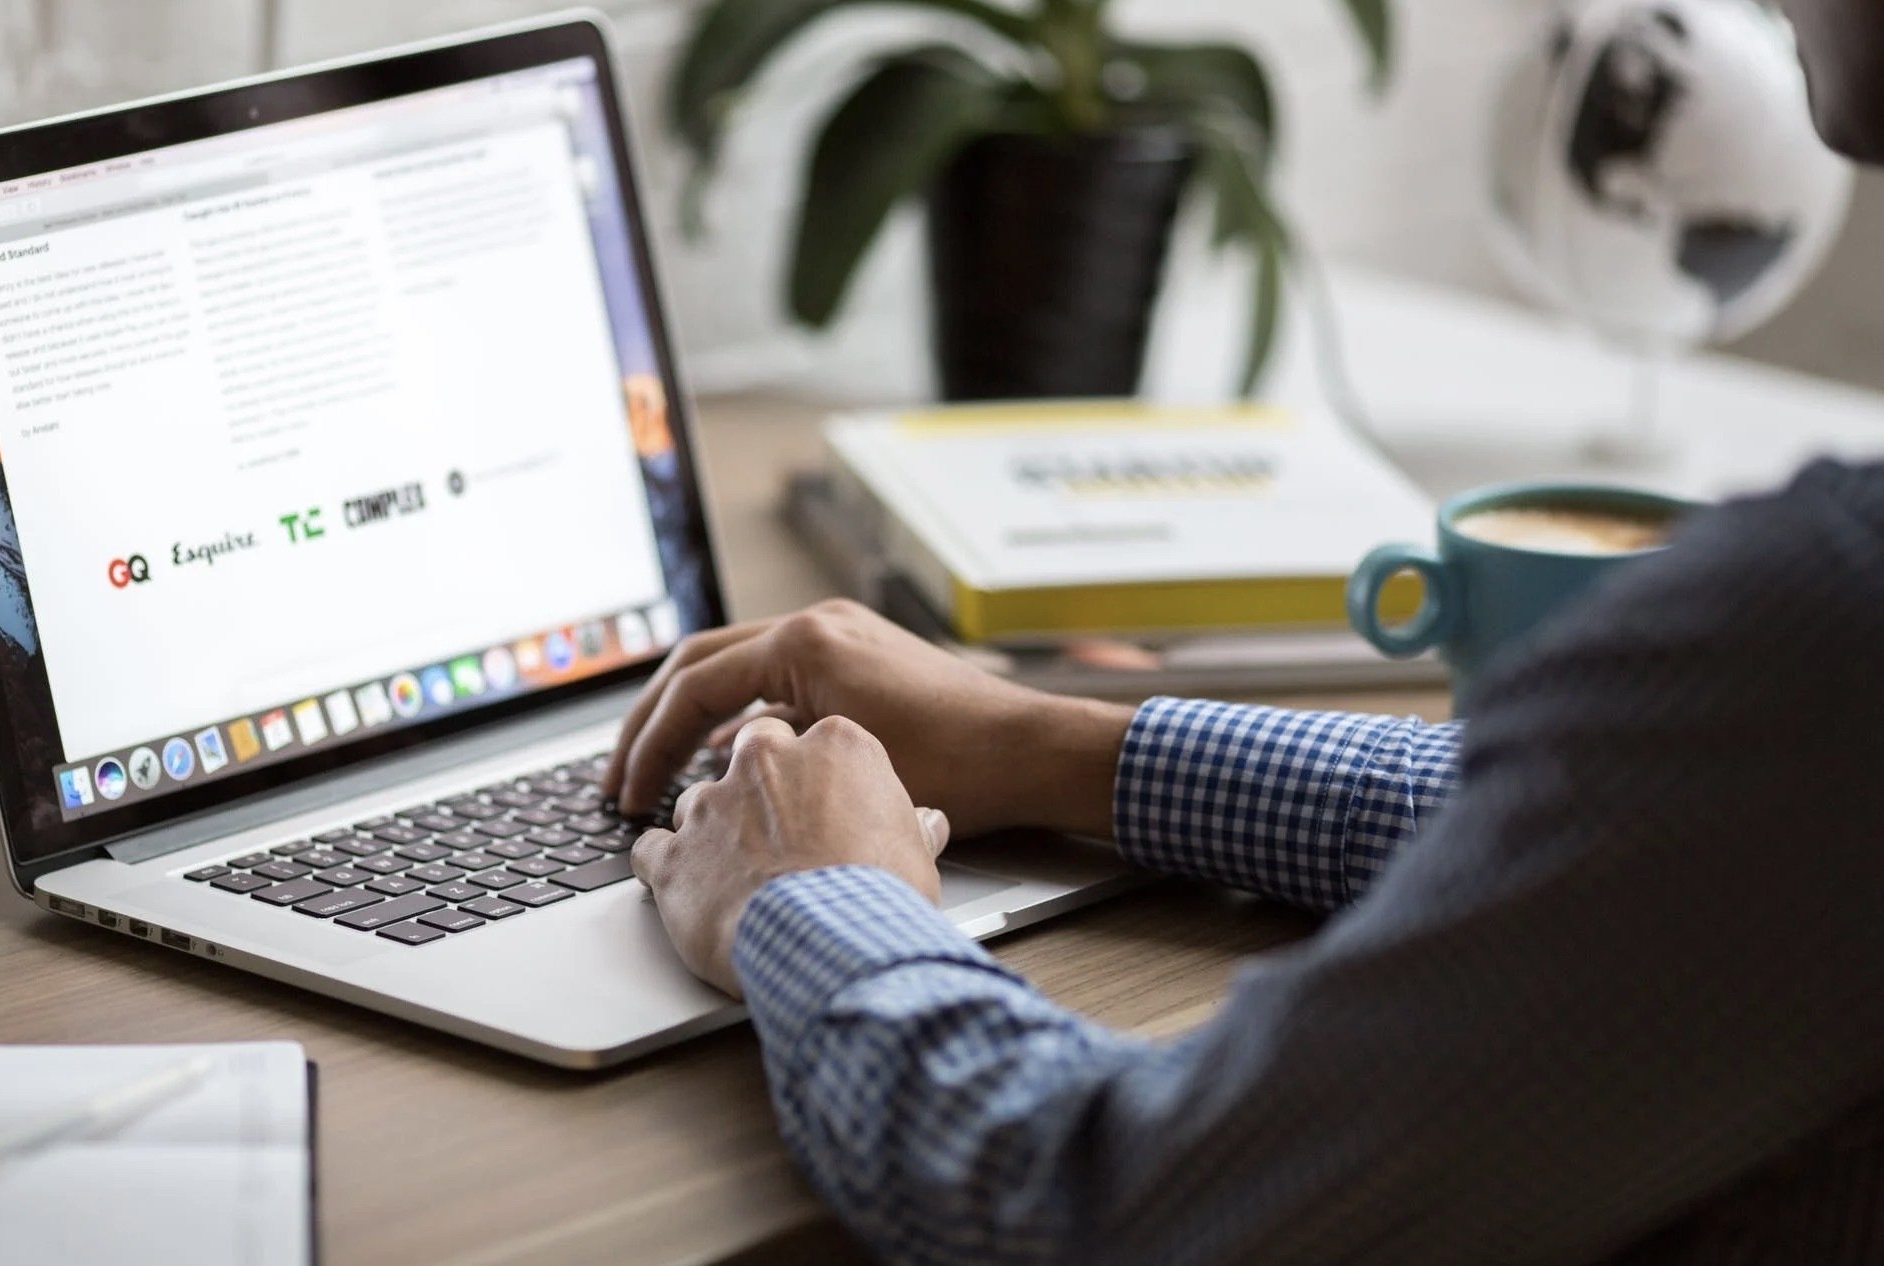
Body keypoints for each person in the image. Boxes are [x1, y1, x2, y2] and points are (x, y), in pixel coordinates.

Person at [604, 5, 1884, 1260]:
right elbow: (1653, 829)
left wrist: (817, 899)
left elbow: (1113, 1207)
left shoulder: (1821, 621)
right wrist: (1059, 748)